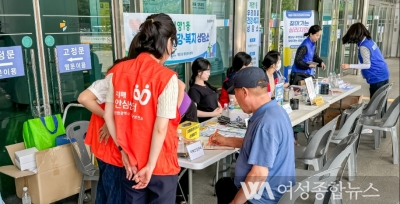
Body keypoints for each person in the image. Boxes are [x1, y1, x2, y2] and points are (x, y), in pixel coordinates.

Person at [103, 13, 181, 204]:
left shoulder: (117, 71)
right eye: (174, 43)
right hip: (160, 163)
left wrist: (122, 150)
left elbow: (108, 115)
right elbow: (160, 127)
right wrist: (151, 166)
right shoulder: (166, 77)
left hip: (131, 162)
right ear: (167, 41)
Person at [213, 67, 296, 204]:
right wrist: (225, 140)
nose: (235, 99)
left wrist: (235, 203)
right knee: (223, 184)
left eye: (235, 93)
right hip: (278, 191)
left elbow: (258, 175)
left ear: (244, 92)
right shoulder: (276, 111)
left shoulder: (265, 124)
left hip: (261, 198)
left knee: (225, 188)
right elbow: (257, 145)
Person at [78, 58, 128, 204]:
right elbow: (83, 98)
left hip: (103, 146)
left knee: (104, 190)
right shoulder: (116, 79)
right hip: (112, 148)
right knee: (114, 193)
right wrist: (108, 118)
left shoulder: (112, 77)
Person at [340, 22, 390, 98]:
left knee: (375, 104)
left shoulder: (364, 46)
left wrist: (349, 65)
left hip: (377, 76)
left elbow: (367, 65)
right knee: (381, 103)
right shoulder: (369, 41)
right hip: (383, 73)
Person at [188, 58, 222, 123]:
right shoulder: (194, 90)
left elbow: (215, 100)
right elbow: (194, 112)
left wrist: (220, 108)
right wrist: (213, 114)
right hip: (207, 125)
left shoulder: (207, 85)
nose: (209, 74)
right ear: (199, 72)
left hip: (217, 121)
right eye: (207, 71)